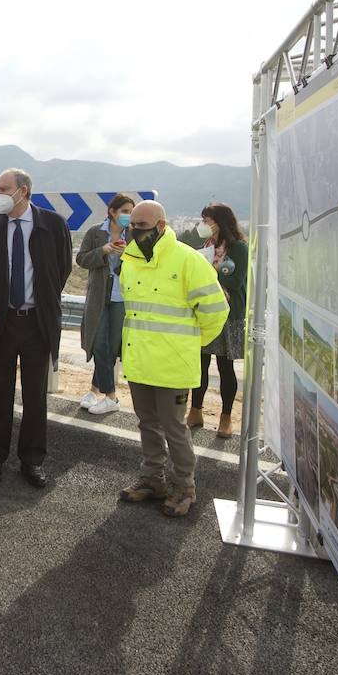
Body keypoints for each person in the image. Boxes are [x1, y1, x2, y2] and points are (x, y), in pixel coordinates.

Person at [117, 200, 229, 518]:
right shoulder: (130, 260)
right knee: (148, 424)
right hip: (140, 360)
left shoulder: (188, 260)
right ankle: (153, 480)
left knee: (174, 428)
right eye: (132, 225)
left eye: (142, 226)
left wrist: (191, 344)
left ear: (161, 226)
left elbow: (216, 310)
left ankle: (185, 487)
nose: (135, 231)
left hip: (173, 364)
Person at [0, 169, 72, 488]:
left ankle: (32, 460)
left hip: (37, 323)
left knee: (36, 396)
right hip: (2, 322)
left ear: (23, 191)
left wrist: (40, 300)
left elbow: (62, 269)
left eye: (3, 188)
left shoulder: (52, 225)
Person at [188, 203, 248, 439]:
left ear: (221, 222)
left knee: (225, 367)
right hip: (206, 312)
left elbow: (235, 282)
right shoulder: (206, 246)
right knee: (200, 364)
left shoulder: (238, 248)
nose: (204, 225)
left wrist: (211, 270)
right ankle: (195, 411)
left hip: (229, 315)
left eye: (208, 220)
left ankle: (225, 417)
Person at [76, 194, 135, 415]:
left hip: (123, 298)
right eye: (125, 211)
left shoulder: (134, 235)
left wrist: (128, 254)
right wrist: (104, 250)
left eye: (131, 211)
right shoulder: (95, 232)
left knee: (110, 349)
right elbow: (81, 259)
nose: (127, 216)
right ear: (112, 211)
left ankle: (93, 390)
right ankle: (111, 396)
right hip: (99, 297)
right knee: (98, 343)